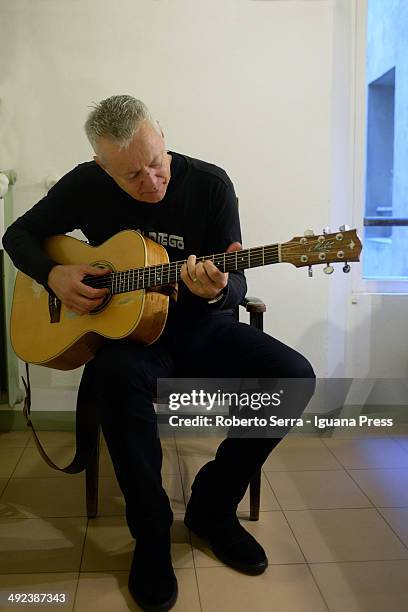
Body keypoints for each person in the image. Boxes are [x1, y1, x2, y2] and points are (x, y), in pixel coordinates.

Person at [2, 95, 315, 611]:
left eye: (156, 161)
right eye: (131, 175)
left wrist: (216, 289)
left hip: (203, 329)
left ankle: (212, 508)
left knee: (294, 376)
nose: (150, 180)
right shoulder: (85, 184)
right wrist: (55, 273)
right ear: (102, 168)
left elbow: (234, 283)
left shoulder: (211, 186)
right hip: (131, 339)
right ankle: (150, 537)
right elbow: (18, 235)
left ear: (163, 136)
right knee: (115, 379)